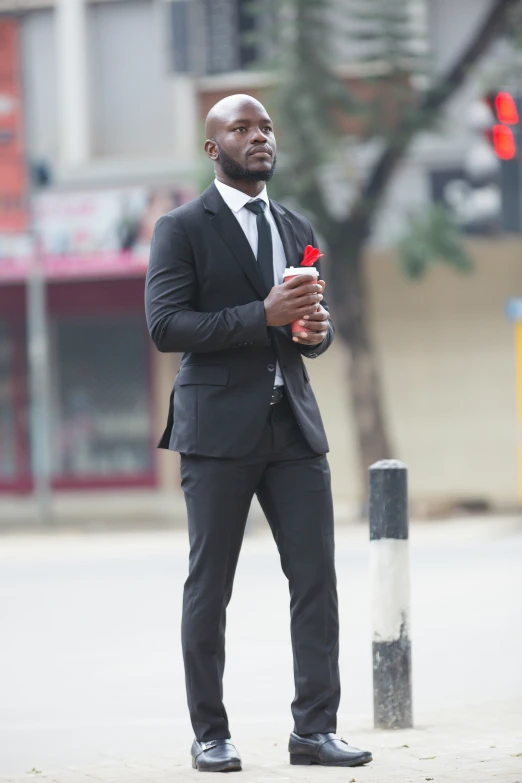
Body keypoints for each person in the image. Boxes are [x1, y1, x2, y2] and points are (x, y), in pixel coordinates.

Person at [145, 94, 372, 773]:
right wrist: (262, 312)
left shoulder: (295, 224)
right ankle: (210, 733)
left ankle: (315, 729)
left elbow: (305, 331)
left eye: (266, 126)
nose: (259, 136)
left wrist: (314, 331)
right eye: (241, 128)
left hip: (293, 428)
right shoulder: (181, 228)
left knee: (316, 582)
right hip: (215, 431)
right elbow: (166, 326)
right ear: (213, 148)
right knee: (210, 585)